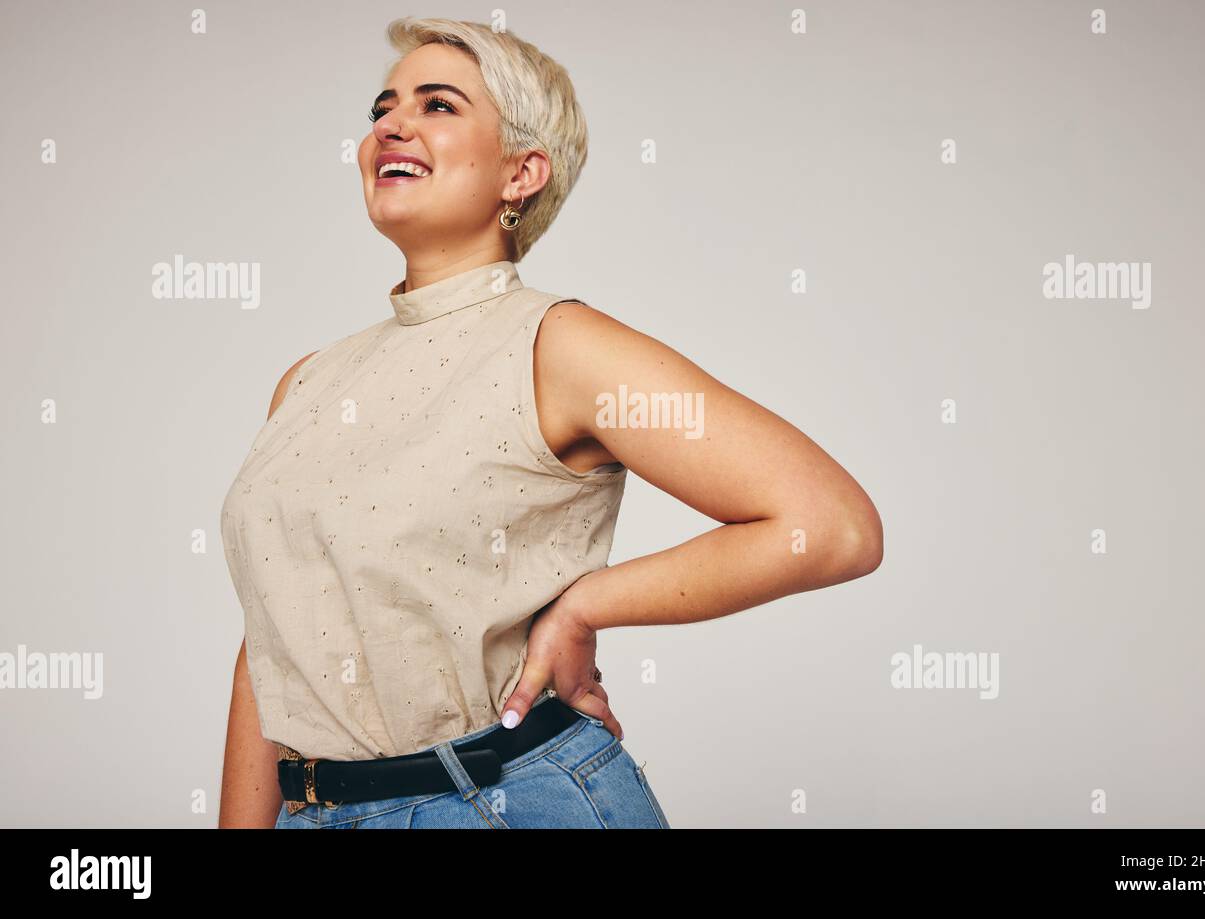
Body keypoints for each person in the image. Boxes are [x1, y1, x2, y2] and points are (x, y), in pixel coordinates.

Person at [217, 16, 883, 830]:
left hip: (502, 802)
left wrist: (585, 604)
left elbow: (832, 524)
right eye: (382, 108)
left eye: (438, 106)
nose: (392, 124)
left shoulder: (555, 345)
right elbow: (272, 644)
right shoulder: (306, 382)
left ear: (521, 172)